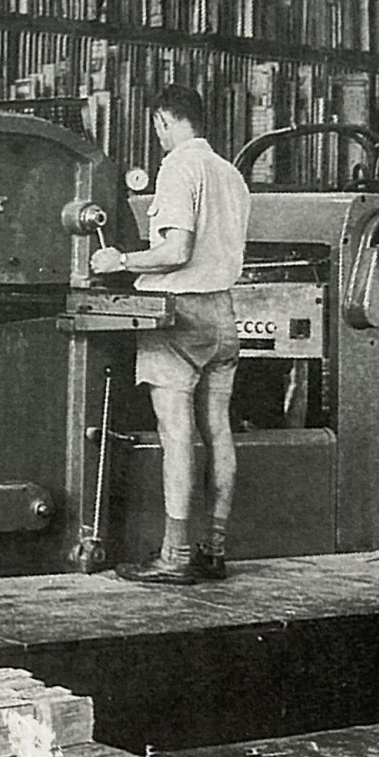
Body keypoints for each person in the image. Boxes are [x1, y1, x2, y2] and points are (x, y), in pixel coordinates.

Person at [90, 85, 251, 584]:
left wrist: (120, 259)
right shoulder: (231, 174)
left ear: (163, 121)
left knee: (176, 434)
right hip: (224, 315)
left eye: (156, 126)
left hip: (178, 315)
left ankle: (175, 556)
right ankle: (215, 551)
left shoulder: (179, 166)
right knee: (218, 431)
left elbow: (176, 250)